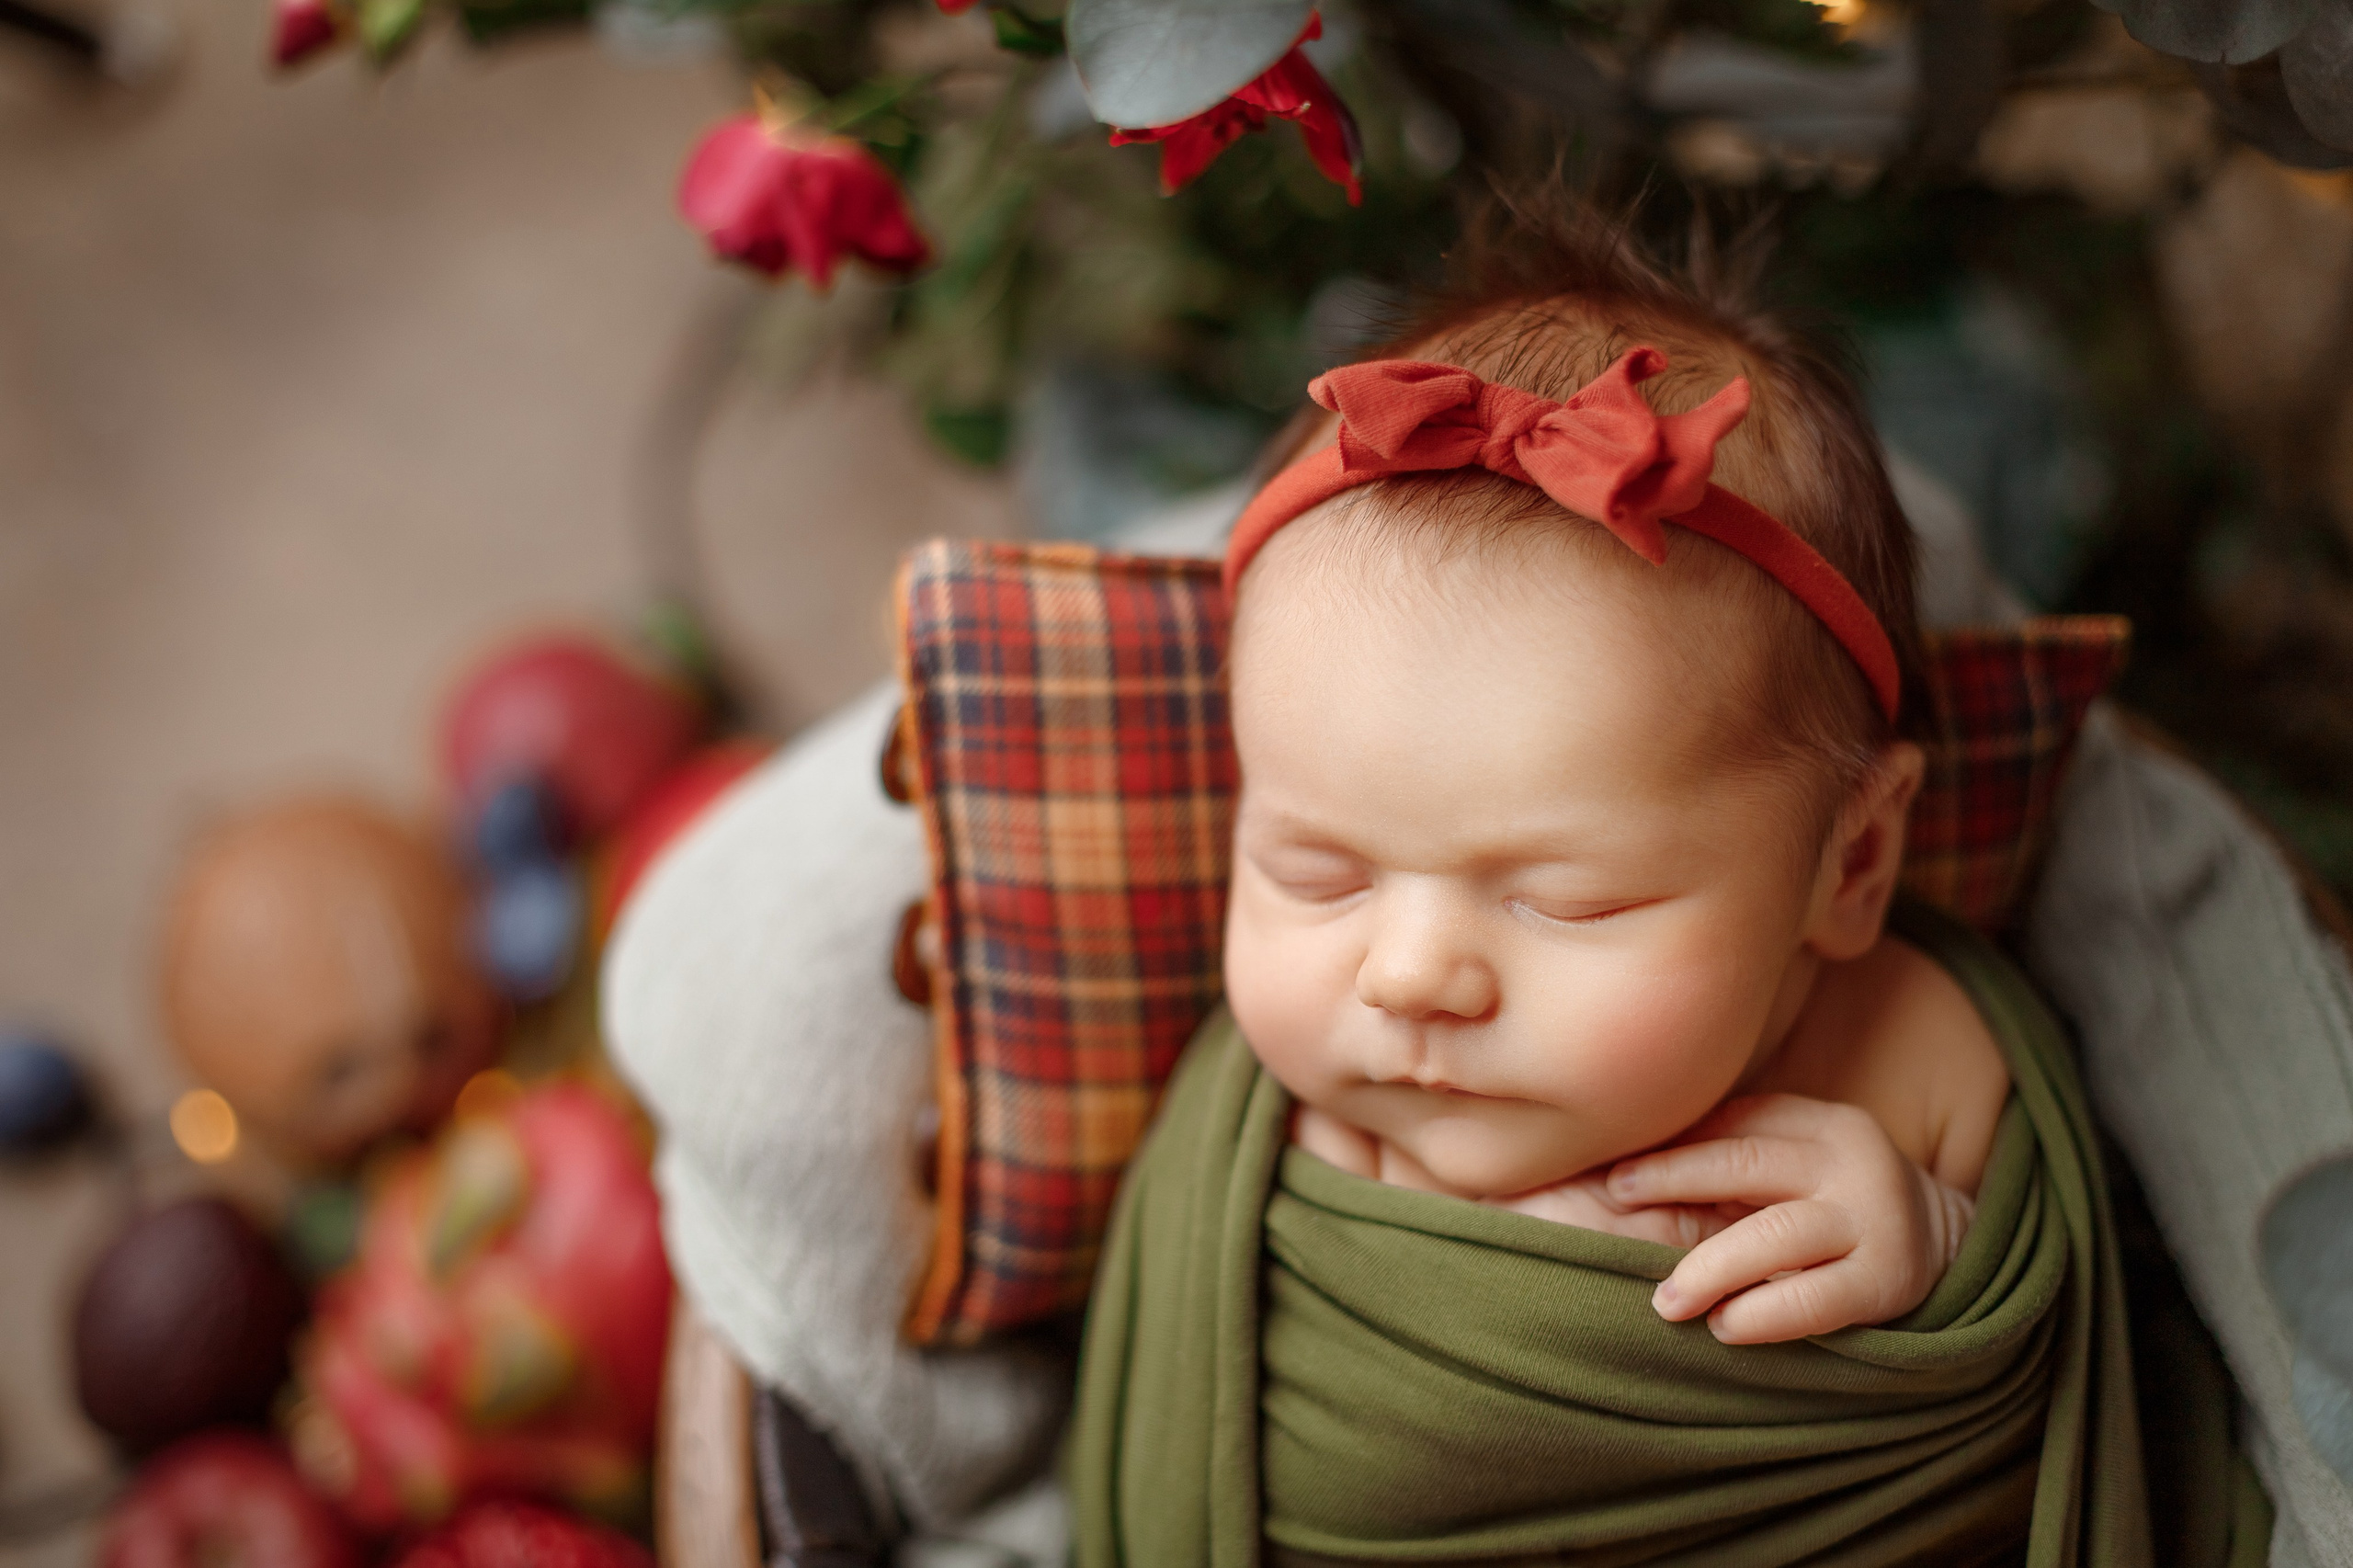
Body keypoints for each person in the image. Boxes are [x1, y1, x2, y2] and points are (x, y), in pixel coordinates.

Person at [1065, 205, 2265, 1566]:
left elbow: (2087, 1353)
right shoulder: (1256, 1128)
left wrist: (1936, 1251)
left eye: (1566, 900)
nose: (1406, 974)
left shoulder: (1907, 1052)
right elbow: (1188, 1416)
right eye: (1315, 871)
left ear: (1852, 861)